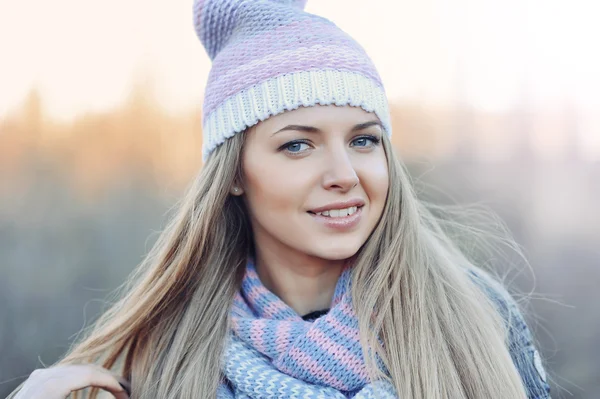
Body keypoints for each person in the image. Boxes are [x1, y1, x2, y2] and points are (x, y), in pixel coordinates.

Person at [9, 0, 552, 398]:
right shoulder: (159, 361)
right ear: (235, 173)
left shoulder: (475, 320)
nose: (344, 174)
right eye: (298, 145)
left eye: (363, 139)